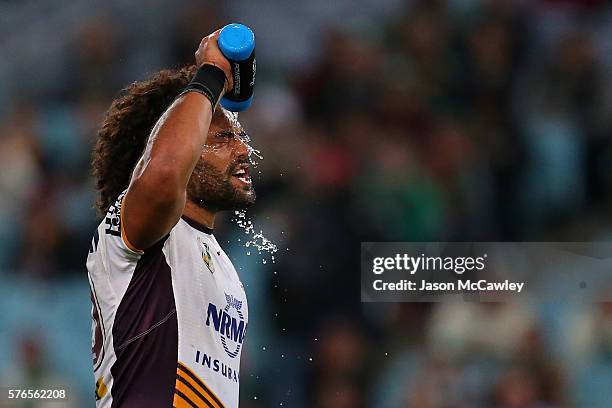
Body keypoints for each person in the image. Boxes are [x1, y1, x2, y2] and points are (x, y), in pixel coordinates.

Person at [86, 29, 255, 407]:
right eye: (222, 138)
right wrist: (211, 74)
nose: (243, 148)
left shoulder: (224, 269)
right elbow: (163, 174)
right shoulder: (133, 229)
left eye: (239, 135)